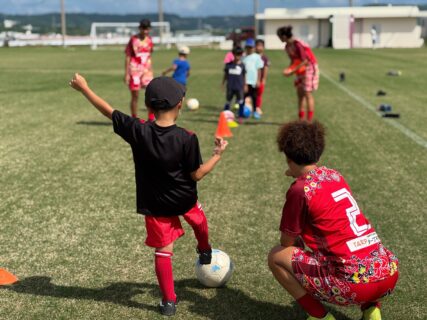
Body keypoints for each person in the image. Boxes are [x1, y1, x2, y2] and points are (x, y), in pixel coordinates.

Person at [69, 74, 228, 316]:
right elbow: (196, 175)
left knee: (164, 252)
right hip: (184, 198)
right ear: (180, 104)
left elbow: (108, 111)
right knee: (199, 220)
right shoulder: (187, 137)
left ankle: (169, 302)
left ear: (149, 106)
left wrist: (85, 89)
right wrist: (217, 155)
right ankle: (204, 248)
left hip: (156, 204)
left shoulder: (138, 130)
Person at [268, 120, 399, 320]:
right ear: (318, 154)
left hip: (355, 286)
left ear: (287, 157)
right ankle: (372, 310)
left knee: (277, 256)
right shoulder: (334, 176)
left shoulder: (299, 190)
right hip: (388, 273)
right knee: (353, 247)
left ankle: (319, 316)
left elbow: (287, 242)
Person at [277, 26, 319, 122]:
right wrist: (289, 70)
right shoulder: (287, 47)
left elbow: (305, 61)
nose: (279, 39)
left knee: (307, 93)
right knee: (300, 93)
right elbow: (293, 61)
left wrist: (292, 71)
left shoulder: (297, 44)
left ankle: (309, 121)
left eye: (279, 36)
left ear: (284, 36)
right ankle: (301, 119)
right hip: (300, 70)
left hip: (309, 68)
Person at [124, 19, 154, 120]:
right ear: (140, 28)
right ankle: (134, 118)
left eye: (147, 29)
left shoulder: (150, 40)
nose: (145, 31)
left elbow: (149, 55)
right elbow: (128, 56)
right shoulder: (133, 40)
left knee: (150, 94)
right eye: (143, 28)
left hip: (146, 71)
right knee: (135, 95)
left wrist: (151, 70)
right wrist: (127, 74)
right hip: (134, 71)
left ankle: (150, 119)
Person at [222, 46, 246, 125]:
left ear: (241, 55)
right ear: (233, 54)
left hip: (239, 87)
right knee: (228, 101)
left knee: (241, 102)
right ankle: (225, 117)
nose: (237, 56)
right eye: (236, 54)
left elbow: (244, 76)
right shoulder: (228, 65)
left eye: (239, 54)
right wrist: (223, 83)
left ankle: (240, 117)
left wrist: (245, 85)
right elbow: (225, 75)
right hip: (230, 87)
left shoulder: (242, 65)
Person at [242, 38, 264, 120]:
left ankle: (255, 111)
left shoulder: (257, 57)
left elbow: (259, 69)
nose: (249, 49)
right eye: (248, 47)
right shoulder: (243, 57)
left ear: (254, 48)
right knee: (243, 98)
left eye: (251, 47)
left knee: (254, 97)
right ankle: (242, 111)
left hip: (254, 81)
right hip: (245, 82)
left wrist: (258, 80)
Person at [255, 39, 271, 116]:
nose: (258, 47)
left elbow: (266, 69)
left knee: (258, 94)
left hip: (260, 80)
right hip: (252, 80)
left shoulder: (265, 58)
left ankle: (258, 108)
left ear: (263, 47)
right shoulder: (253, 56)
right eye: (257, 46)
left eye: (260, 46)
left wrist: (263, 79)